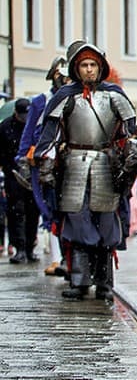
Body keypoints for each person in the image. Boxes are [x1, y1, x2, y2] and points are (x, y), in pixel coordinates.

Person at [34, 41, 137, 300]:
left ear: (101, 67)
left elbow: (130, 135)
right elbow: (50, 136)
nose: (89, 70)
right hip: (73, 165)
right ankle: (80, 281)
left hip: (106, 165)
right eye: (84, 65)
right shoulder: (66, 97)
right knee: (77, 225)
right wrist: (46, 166)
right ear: (77, 68)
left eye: (93, 64)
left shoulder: (115, 95)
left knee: (106, 226)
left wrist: (130, 158)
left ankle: (104, 283)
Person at [17, 57, 70, 276]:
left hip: (68, 159)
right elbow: (30, 132)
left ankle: (71, 259)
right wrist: (23, 157)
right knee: (50, 211)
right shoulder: (41, 101)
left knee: (69, 210)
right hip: (44, 162)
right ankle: (57, 258)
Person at [1, 98, 38, 264]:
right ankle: (19, 248)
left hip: (32, 177)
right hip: (13, 176)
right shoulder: (5, 127)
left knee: (33, 212)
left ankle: (30, 247)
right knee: (16, 212)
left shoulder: (34, 125)